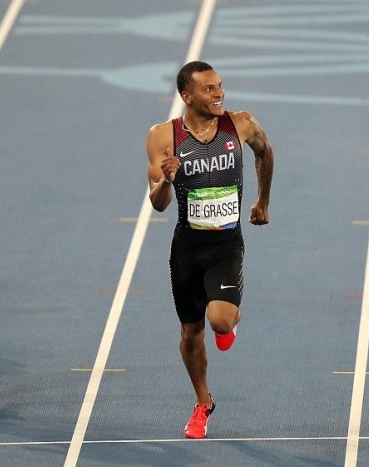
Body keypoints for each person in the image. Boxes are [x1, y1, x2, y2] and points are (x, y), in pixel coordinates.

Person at [145, 61, 274, 439]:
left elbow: (265, 153)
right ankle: (203, 402)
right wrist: (167, 180)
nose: (219, 94)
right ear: (187, 96)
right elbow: (158, 203)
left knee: (219, 320)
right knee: (190, 334)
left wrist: (262, 200)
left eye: (220, 86)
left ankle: (228, 319)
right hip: (187, 246)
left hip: (225, 243)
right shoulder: (163, 136)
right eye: (209, 89)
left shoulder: (241, 124)